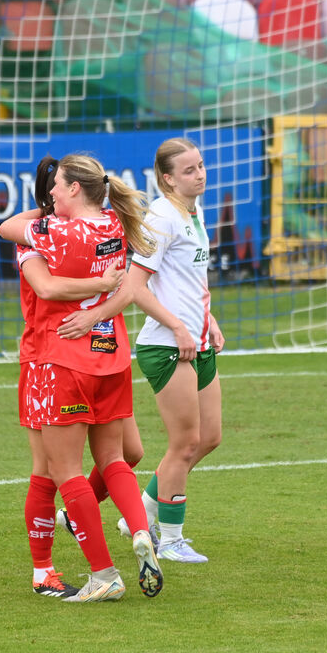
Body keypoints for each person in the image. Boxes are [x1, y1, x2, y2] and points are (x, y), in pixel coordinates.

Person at [0, 153, 162, 603]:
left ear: (72, 189)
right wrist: (102, 288)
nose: (53, 192)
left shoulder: (47, 234)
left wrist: (43, 212)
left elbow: (43, 281)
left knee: (53, 472)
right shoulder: (113, 224)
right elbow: (119, 281)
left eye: (59, 185)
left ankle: (85, 572)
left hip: (54, 359)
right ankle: (140, 532)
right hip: (110, 355)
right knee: (116, 459)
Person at [14, 156, 128, 599]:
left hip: (85, 358)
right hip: (46, 358)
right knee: (48, 470)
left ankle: (92, 556)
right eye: (53, 189)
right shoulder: (40, 236)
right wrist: (103, 286)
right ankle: (45, 570)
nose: (59, 194)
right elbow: (46, 289)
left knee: (117, 455)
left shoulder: (86, 227)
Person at [121, 137, 225, 564]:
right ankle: (171, 539)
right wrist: (180, 327)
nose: (199, 174)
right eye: (188, 170)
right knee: (183, 443)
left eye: (200, 166)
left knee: (209, 438)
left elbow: (188, 281)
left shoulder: (194, 213)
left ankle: (140, 512)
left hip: (195, 341)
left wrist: (208, 320)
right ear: (167, 178)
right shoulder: (162, 217)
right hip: (168, 346)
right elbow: (133, 288)